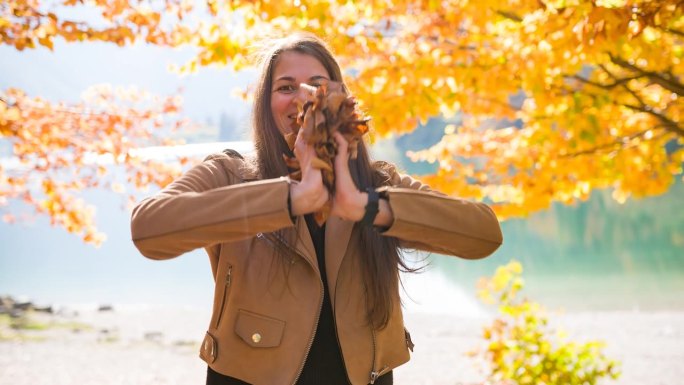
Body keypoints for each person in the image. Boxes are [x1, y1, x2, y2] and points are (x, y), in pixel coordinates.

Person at [130, 32, 503, 385]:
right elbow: (148, 229)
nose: (302, 99)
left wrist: (367, 206)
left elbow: (483, 235)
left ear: (341, 100)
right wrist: (289, 199)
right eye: (285, 87)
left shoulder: (376, 183)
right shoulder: (231, 174)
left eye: (318, 85)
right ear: (265, 103)